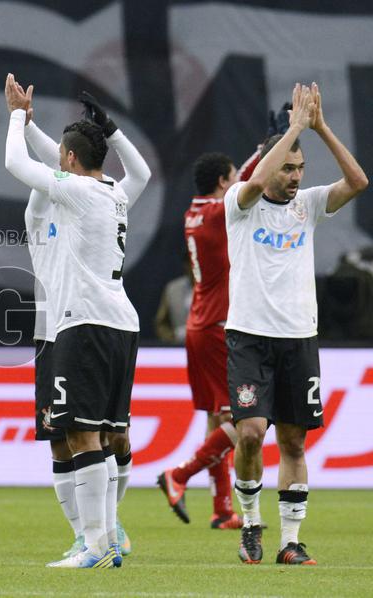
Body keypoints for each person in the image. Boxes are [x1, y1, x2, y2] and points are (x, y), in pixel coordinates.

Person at [5, 75, 149, 569]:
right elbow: (138, 173)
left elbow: (21, 165)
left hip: (80, 322)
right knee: (72, 439)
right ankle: (97, 536)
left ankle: (99, 540)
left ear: (66, 165)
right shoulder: (106, 195)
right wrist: (105, 133)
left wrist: (17, 120)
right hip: (85, 323)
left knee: (89, 436)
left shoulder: (80, 194)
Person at [224, 83, 367, 565]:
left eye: (300, 169)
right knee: (249, 434)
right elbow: (255, 181)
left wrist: (320, 128)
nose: (295, 177)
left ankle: (290, 541)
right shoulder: (238, 208)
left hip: (299, 338)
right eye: (287, 168)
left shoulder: (307, 206)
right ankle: (249, 524)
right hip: (248, 336)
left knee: (292, 440)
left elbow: (358, 182)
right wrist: (293, 130)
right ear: (268, 167)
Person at [157, 152, 243, 529]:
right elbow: (255, 182)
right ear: (223, 182)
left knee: (217, 418)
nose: (240, 179)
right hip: (217, 325)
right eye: (234, 175)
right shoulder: (216, 213)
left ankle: (222, 509)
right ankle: (180, 474)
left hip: (201, 324)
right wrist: (272, 147)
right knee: (243, 419)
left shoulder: (193, 211)